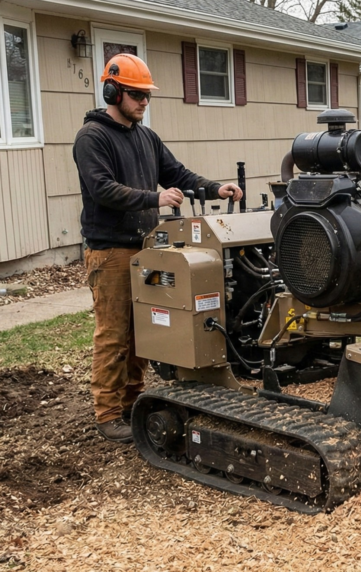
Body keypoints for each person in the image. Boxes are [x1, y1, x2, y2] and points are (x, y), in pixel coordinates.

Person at [74, 53, 242, 442]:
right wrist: (155, 199)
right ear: (112, 91)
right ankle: (107, 412)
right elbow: (102, 190)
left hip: (148, 248)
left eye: (147, 96)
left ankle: (133, 399)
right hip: (111, 251)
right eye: (137, 96)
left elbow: (177, 174)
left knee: (144, 329)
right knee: (114, 333)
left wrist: (215, 187)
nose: (144, 103)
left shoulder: (146, 137)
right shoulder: (92, 138)